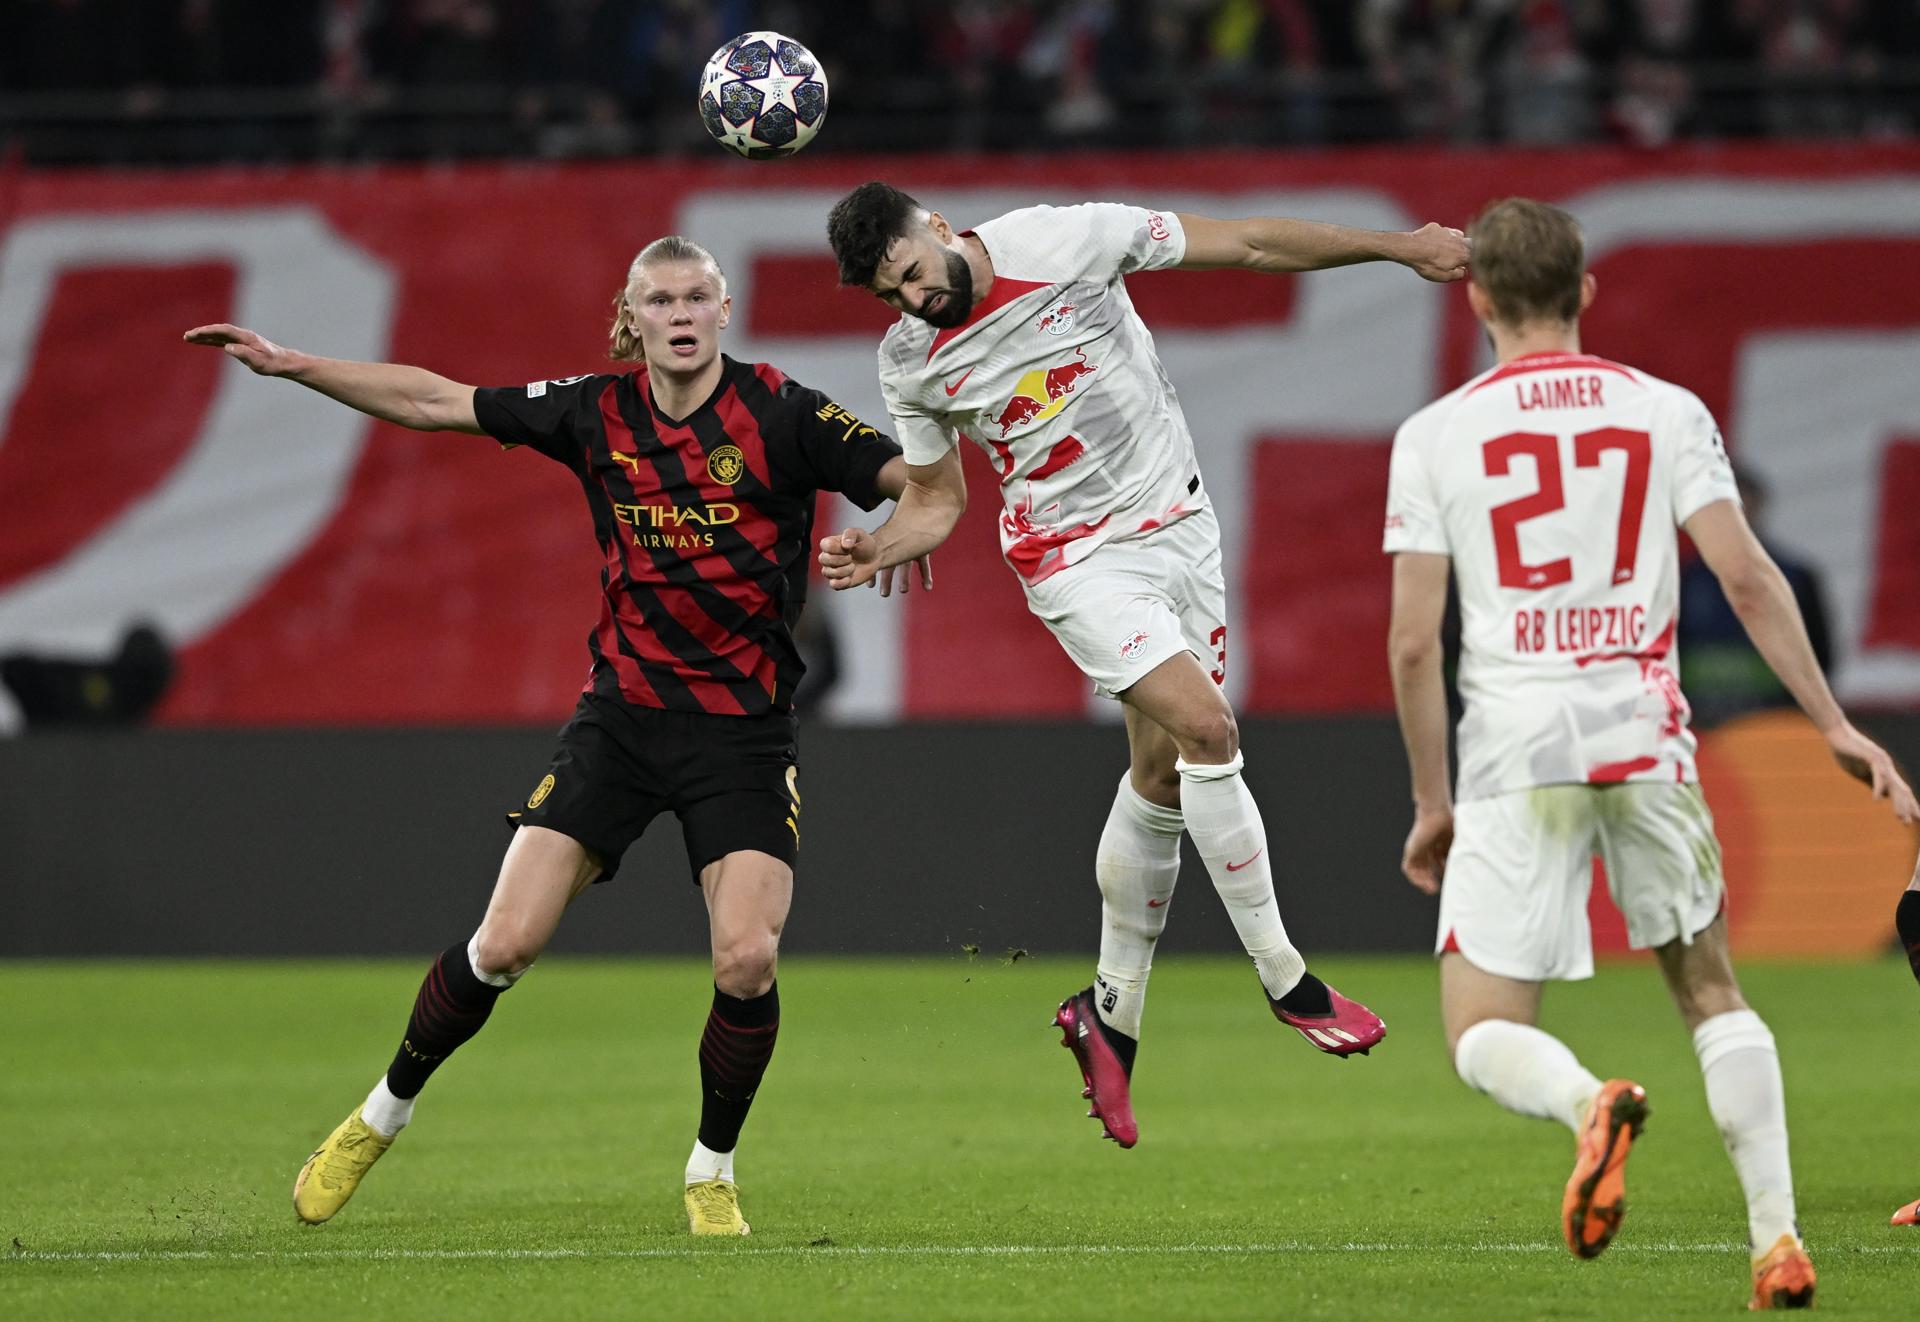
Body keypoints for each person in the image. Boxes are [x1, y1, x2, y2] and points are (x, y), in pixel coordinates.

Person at [183, 234, 926, 1237]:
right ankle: (379, 1115)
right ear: (633, 316)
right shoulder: (594, 411)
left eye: (696, 297)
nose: (679, 314)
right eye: (659, 299)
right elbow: (434, 400)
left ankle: (711, 1171)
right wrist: (293, 364)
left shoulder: (785, 412)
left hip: (742, 734)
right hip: (620, 722)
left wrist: (900, 535)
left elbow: (917, 481)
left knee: (746, 960)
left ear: (724, 309)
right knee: (503, 944)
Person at [820, 181, 1470, 1148]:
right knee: (1209, 728)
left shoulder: (1067, 240)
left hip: (1181, 530)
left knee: (1163, 775)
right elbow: (936, 498)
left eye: (913, 274)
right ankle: (1288, 978)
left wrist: (1400, 246)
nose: (915, 301)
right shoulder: (910, 361)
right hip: (1075, 561)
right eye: (891, 295)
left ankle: (1110, 1014)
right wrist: (880, 543)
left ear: (942, 230)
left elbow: (1249, 242)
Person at [1382, 197, 1917, 1310]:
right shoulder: (1664, 410)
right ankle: (1777, 1241)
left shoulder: (1435, 435)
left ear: (1475, 298)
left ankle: (1588, 1100)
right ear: (1584, 289)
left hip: (1514, 752)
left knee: (1482, 1029)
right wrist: (1831, 722)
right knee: (1712, 990)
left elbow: (1412, 643)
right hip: (1646, 736)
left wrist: (1432, 799)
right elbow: (1749, 576)